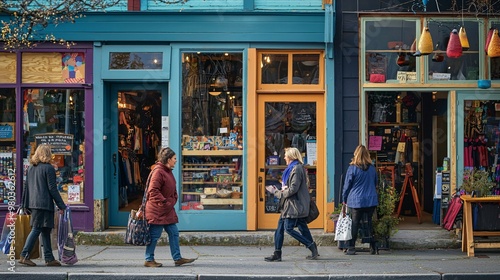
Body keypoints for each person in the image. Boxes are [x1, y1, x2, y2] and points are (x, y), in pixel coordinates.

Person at [144, 147, 197, 267]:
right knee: (155, 235)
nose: (176, 161)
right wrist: (165, 202)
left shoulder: (167, 171)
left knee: (174, 232)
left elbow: (171, 188)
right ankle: (149, 259)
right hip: (158, 209)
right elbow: (153, 191)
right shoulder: (158, 172)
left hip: (166, 209)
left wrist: (174, 198)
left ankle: (177, 258)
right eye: (174, 158)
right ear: (168, 159)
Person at [264, 147, 318, 262]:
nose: (284, 157)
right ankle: (277, 253)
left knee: (288, 228)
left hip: (294, 205)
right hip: (290, 204)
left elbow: (293, 189)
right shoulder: (293, 168)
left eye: (285, 155)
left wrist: (276, 192)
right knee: (285, 228)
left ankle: (310, 245)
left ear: (291, 157)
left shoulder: (296, 169)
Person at [19, 144, 67, 266]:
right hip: (44, 203)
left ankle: (49, 258)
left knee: (45, 230)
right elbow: (52, 188)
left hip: (34, 203)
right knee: (37, 229)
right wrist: (62, 205)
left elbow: (26, 187)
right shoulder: (48, 168)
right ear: (47, 154)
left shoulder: (31, 168)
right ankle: (24, 255)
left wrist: (25, 205)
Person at [342, 145, 379, 255]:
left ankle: (351, 247)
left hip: (356, 199)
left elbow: (347, 186)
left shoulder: (352, 168)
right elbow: (376, 183)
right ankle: (373, 247)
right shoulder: (372, 168)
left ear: (355, 154)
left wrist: (344, 199)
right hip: (371, 199)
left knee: (355, 223)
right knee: (370, 223)